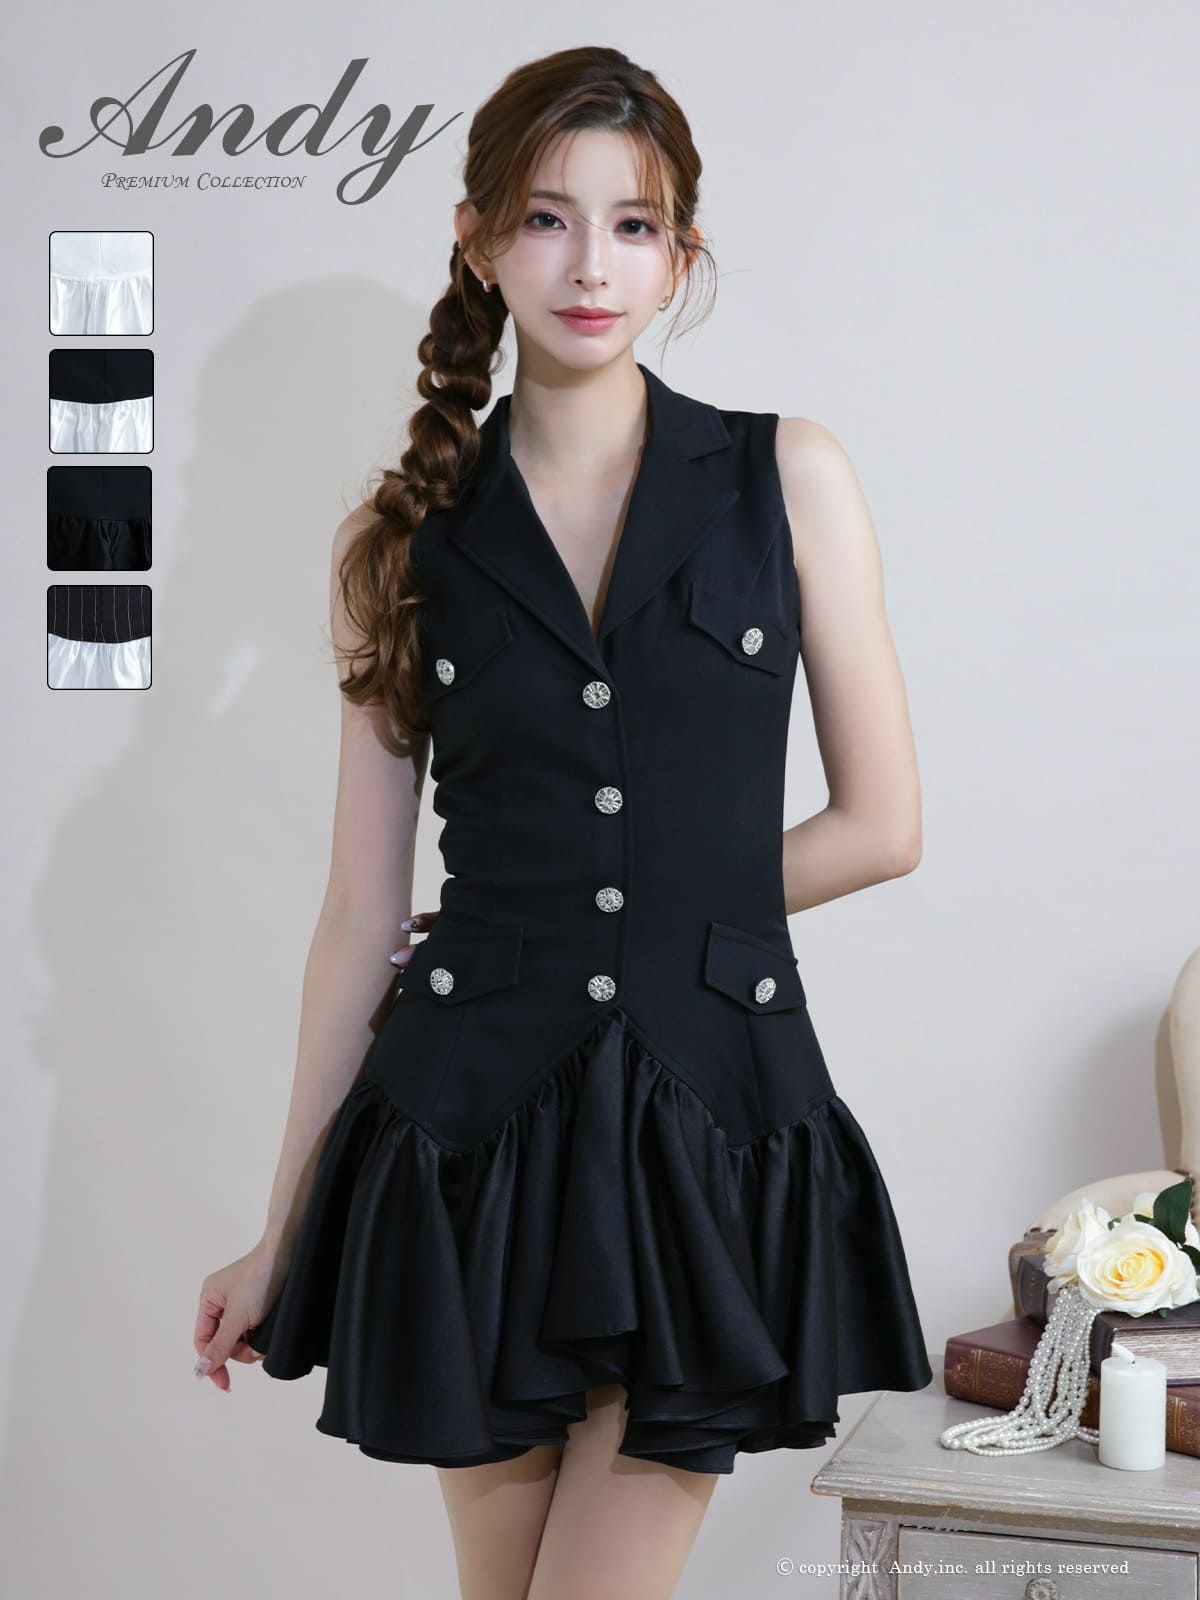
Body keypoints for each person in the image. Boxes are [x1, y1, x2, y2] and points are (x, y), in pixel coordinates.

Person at [193, 44, 932, 1600]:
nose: (591, 265)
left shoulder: (787, 478)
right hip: (465, 1132)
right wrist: (279, 1228)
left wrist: (639, 905)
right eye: (546, 218)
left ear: (682, 255)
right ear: (476, 241)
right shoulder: (402, 537)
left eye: (633, 225)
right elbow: (358, 915)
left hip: (706, 1117)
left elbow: (882, 824)